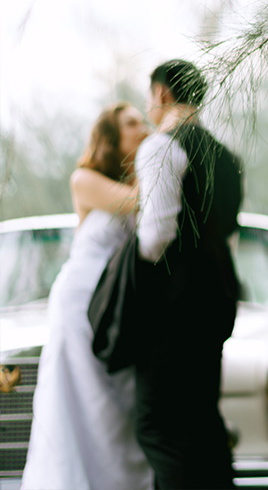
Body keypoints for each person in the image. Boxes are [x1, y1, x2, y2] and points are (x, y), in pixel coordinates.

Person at [20, 102, 154, 490]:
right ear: (110, 138)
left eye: (142, 120)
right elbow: (137, 202)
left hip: (121, 308)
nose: (142, 127)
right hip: (80, 305)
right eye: (131, 123)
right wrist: (159, 147)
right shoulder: (85, 179)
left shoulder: (141, 177)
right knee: (83, 402)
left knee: (117, 407)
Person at [132, 59, 243, 489]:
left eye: (148, 98)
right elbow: (229, 232)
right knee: (202, 420)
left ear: (162, 94)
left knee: (156, 425)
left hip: (172, 307)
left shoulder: (160, 146)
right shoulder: (228, 156)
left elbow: (155, 236)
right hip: (217, 298)